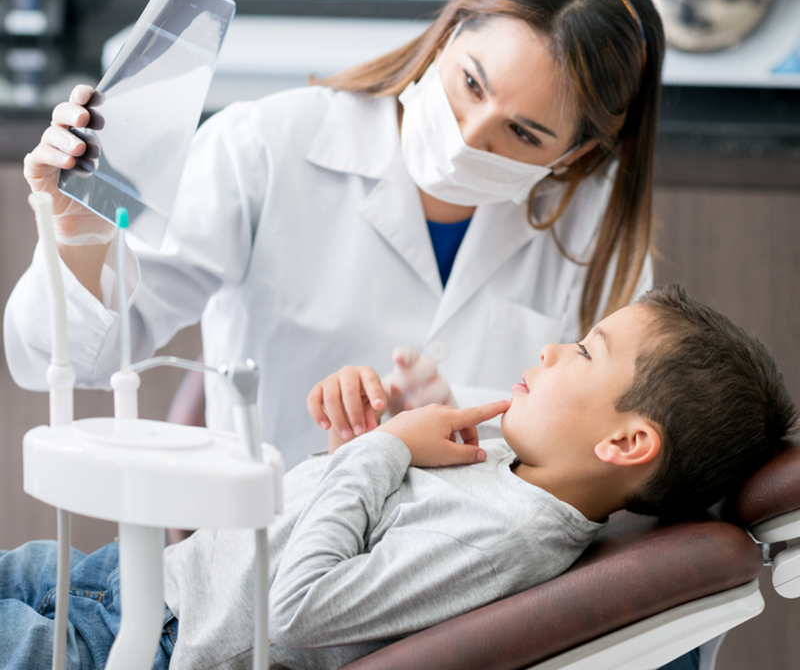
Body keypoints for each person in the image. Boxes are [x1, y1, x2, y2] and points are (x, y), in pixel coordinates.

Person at [4, 0, 665, 470]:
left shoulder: (596, 233)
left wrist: (468, 421)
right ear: (450, 32)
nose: (470, 135)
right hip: (274, 563)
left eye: (523, 134)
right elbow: (59, 361)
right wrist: (82, 240)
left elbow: (608, 454)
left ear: (575, 156)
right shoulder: (267, 144)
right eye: (470, 82)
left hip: (475, 577)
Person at [0, 284, 795, 670]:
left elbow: (296, 609)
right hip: (116, 584)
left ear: (626, 442)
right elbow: (319, 531)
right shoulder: (505, 470)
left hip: (137, 643)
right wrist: (369, 442)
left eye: (586, 351)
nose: (553, 350)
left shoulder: (509, 536)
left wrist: (382, 451)